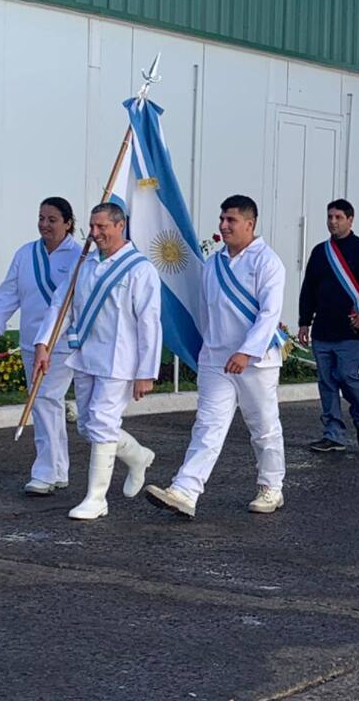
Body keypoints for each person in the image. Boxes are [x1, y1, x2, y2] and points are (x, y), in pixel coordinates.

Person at [145, 195, 288, 517]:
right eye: (222, 219)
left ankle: (271, 487)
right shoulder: (214, 263)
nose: (223, 226)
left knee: (263, 426)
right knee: (207, 426)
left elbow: (269, 314)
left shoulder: (267, 262)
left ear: (249, 224)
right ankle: (185, 490)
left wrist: (245, 352)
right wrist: (208, 349)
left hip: (256, 362)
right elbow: (206, 311)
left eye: (231, 220)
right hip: (216, 359)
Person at [34, 202, 161, 521]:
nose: (95, 233)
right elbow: (60, 306)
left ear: (120, 226)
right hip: (86, 355)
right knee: (88, 427)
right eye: (91, 227)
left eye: (102, 227)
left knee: (103, 424)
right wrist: (44, 343)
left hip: (120, 361)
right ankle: (138, 457)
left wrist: (147, 372)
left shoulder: (139, 269)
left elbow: (150, 322)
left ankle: (96, 498)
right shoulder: (85, 264)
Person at [0, 197, 83, 496]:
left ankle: (44, 473)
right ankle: (58, 469)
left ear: (68, 223)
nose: (45, 224)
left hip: (64, 344)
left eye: (52, 219)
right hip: (31, 342)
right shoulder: (25, 253)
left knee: (43, 400)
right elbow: (9, 292)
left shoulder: (80, 256)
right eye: (41, 218)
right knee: (47, 404)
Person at [297, 199, 359, 453]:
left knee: (347, 376)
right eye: (330, 217)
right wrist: (304, 322)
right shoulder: (320, 252)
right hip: (323, 329)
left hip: (353, 329)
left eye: (338, 217)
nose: (333, 222)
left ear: (350, 219)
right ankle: (333, 434)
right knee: (327, 382)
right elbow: (308, 289)